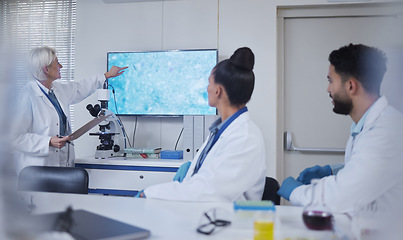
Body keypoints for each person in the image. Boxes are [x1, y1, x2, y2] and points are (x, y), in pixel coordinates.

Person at [277, 44, 403, 217]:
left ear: (351, 86)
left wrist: (295, 191)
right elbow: (370, 169)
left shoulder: (384, 133)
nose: (328, 89)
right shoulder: (368, 124)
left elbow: (338, 198)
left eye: (331, 81)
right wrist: (332, 170)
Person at [137, 47, 267, 201]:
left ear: (218, 91)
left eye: (209, 83)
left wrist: (149, 193)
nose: (207, 88)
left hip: (228, 220)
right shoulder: (222, 131)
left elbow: (208, 190)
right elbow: (215, 172)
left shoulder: (244, 137)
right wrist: (193, 166)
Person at [11, 46, 127, 175]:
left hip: (61, 163)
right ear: (46, 69)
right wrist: (48, 141)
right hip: (37, 169)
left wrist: (106, 75)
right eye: (57, 62)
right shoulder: (26, 96)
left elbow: (80, 88)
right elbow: (14, 137)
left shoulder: (57, 90)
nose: (61, 66)